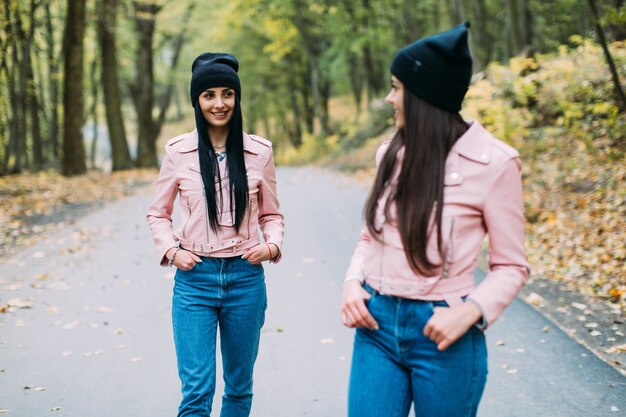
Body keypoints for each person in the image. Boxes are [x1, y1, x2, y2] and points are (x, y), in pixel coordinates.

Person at [341, 22, 529, 417]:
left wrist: (470, 310)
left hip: (445, 333)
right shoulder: (389, 154)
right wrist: (351, 284)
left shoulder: (495, 164)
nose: (390, 98)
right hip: (375, 327)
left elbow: (511, 265)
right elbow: (369, 238)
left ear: (424, 94)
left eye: (397, 87)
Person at [146, 52, 284, 417]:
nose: (219, 103)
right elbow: (157, 214)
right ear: (197, 101)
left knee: (239, 388)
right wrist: (173, 252)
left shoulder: (259, 151)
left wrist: (270, 246)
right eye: (209, 95)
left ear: (237, 98)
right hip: (194, 281)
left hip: (245, 279)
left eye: (227, 93)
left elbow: (272, 214)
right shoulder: (178, 152)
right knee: (197, 390)